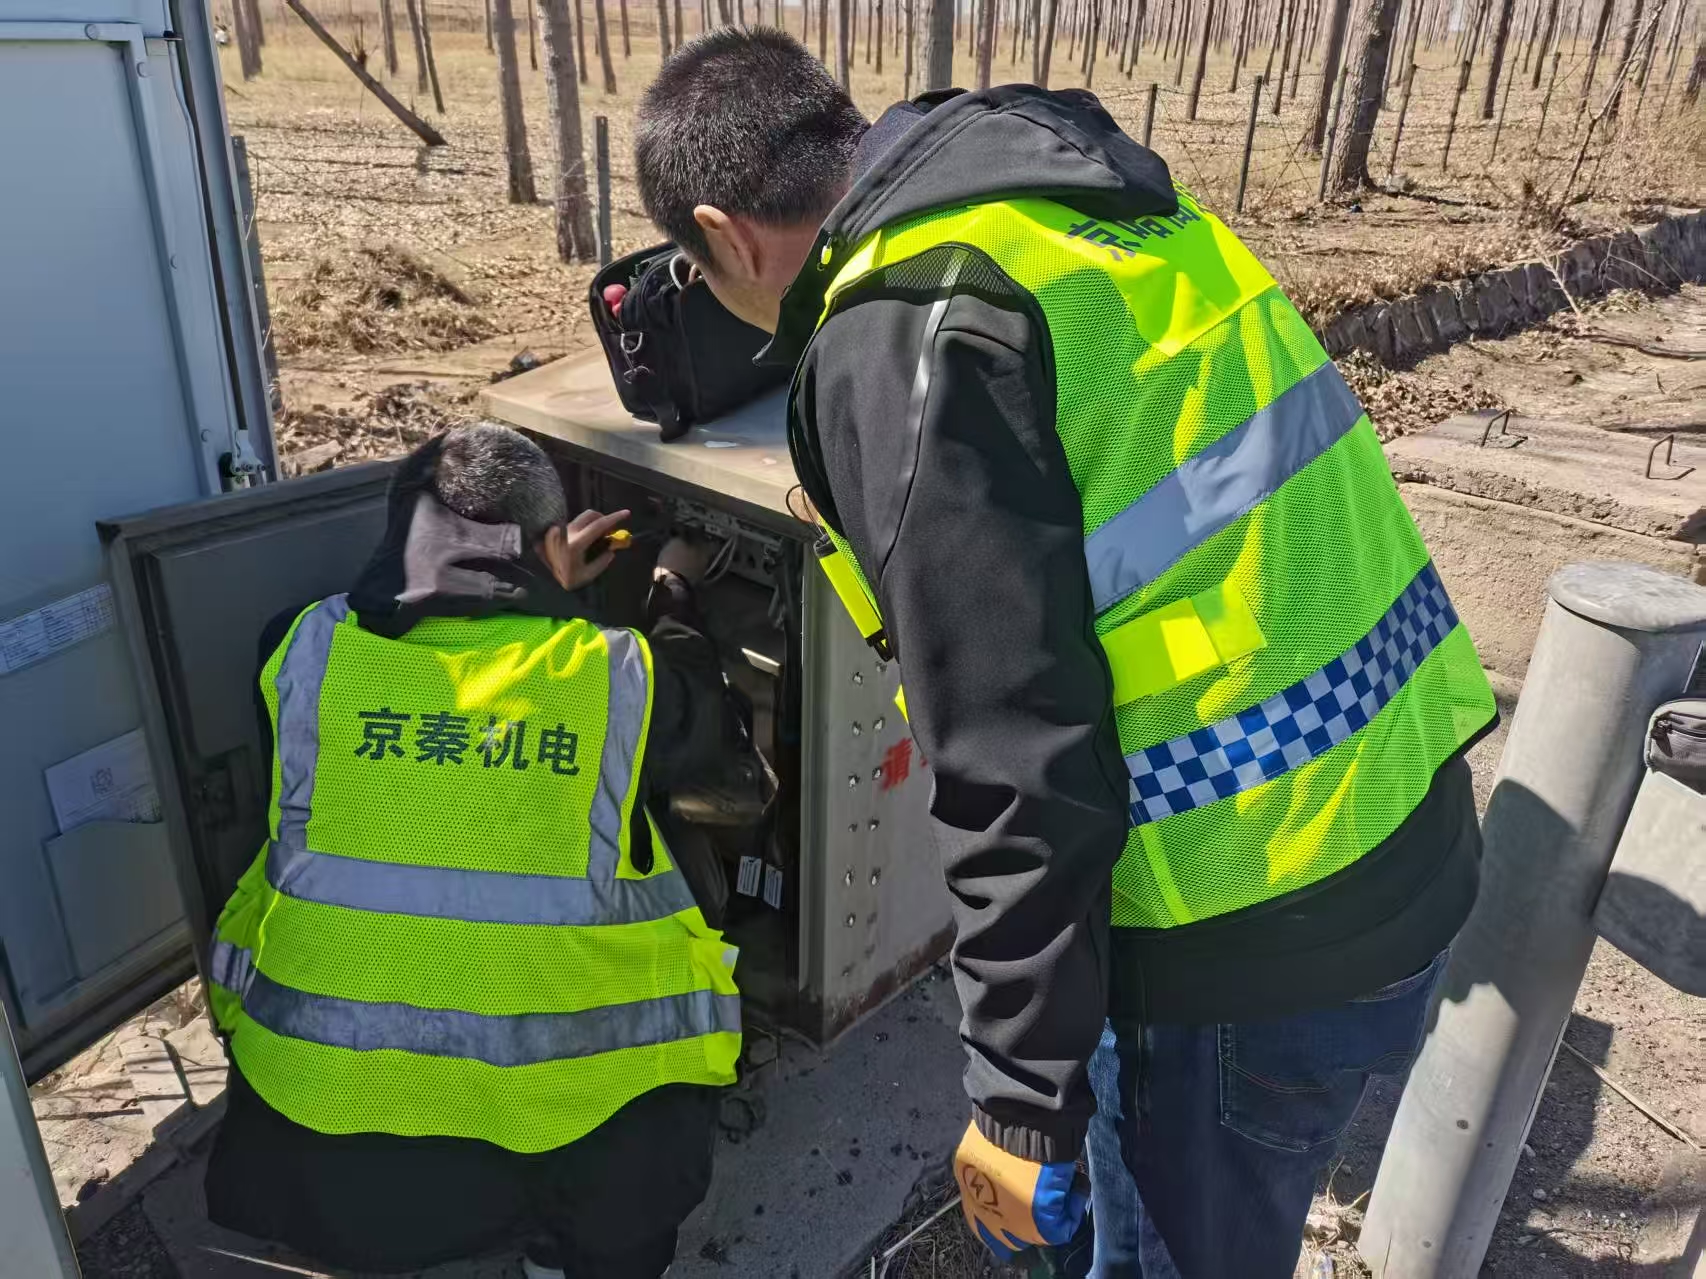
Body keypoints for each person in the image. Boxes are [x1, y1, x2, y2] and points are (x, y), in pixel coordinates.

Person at [634, 30, 1498, 1278]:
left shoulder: (904, 331)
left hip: (1231, 937)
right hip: (1399, 835)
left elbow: (1011, 756)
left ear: (721, 232)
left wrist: (1018, 1102)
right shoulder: (1079, 205)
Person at [202, 425, 743, 1278]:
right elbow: (703, 716)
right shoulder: (618, 677)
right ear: (546, 545)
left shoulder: (297, 650)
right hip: (571, 1137)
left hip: (318, 1147)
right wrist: (668, 582)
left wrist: (542, 583)